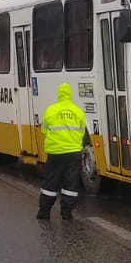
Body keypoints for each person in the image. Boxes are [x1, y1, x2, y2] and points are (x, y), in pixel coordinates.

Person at [37, 83, 88, 221]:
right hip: (74, 153)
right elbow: (82, 132)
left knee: (50, 182)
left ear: (59, 94)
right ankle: (66, 212)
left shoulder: (51, 110)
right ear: (70, 94)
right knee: (70, 183)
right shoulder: (78, 111)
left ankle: (44, 212)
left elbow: (44, 130)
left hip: (55, 152)